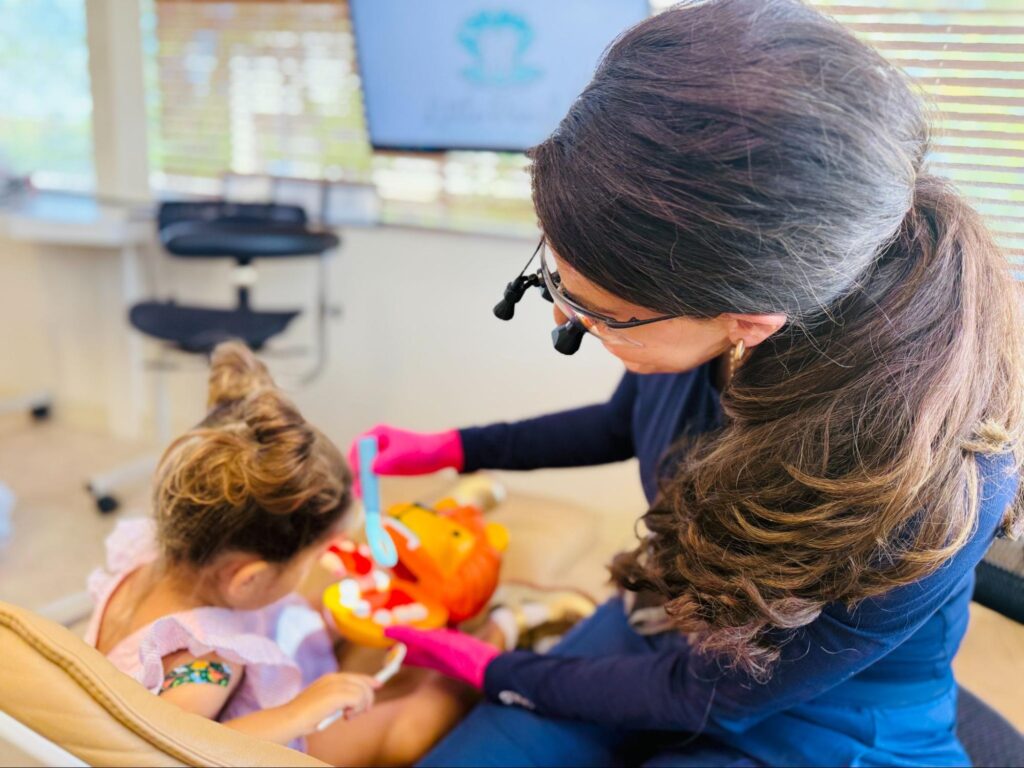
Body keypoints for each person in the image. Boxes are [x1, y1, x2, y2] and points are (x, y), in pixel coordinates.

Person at [347, 0, 1024, 765]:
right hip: (677, 624)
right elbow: (624, 422)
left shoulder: (930, 483)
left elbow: (712, 694)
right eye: (557, 284)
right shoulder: (721, 314)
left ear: (749, 318)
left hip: (819, 721)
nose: (570, 323)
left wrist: (497, 668)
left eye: (601, 314)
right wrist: (453, 447)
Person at [85, 341, 579, 766]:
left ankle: (458, 540)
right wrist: (294, 715)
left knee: (379, 620)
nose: (322, 561)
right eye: (310, 558)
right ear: (248, 578)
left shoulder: (153, 557)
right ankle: (509, 625)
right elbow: (175, 751)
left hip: (270, 653)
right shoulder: (205, 665)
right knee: (415, 720)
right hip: (271, 737)